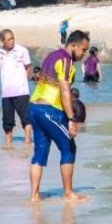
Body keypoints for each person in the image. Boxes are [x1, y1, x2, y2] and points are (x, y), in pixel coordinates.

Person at [28, 30, 91, 202]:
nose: (84, 54)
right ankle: (68, 193)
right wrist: (71, 119)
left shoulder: (52, 56)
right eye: (83, 50)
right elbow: (64, 89)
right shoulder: (66, 60)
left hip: (33, 107)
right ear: (73, 46)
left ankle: (34, 196)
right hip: (49, 110)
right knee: (69, 147)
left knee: (40, 151)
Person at [0, 29, 33, 147]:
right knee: (7, 121)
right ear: (2, 41)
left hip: (21, 91)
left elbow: (29, 67)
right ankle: (9, 144)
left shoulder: (22, 50)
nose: (11, 41)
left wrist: (24, 81)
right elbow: (1, 70)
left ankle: (27, 142)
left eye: (13, 38)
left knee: (26, 118)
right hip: (6, 93)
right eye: (8, 39)